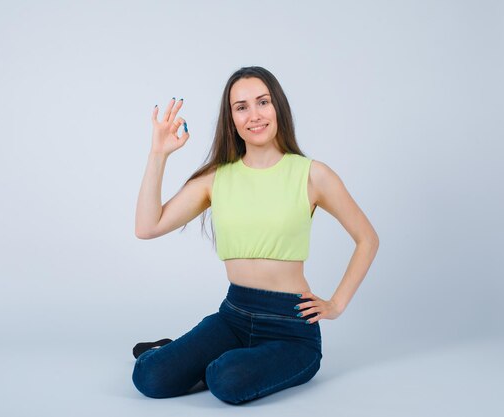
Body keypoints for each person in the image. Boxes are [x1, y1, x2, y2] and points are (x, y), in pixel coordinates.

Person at [132, 66, 379, 404]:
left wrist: (336, 304)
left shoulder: (312, 175)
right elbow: (147, 227)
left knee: (226, 379)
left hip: (291, 329)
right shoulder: (216, 178)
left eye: (262, 102)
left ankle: (208, 362)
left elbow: (367, 238)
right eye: (241, 107)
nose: (254, 115)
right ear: (231, 118)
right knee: (149, 376)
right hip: (233, 315)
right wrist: (158, 154)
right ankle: (178, 355)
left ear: (278, 106)